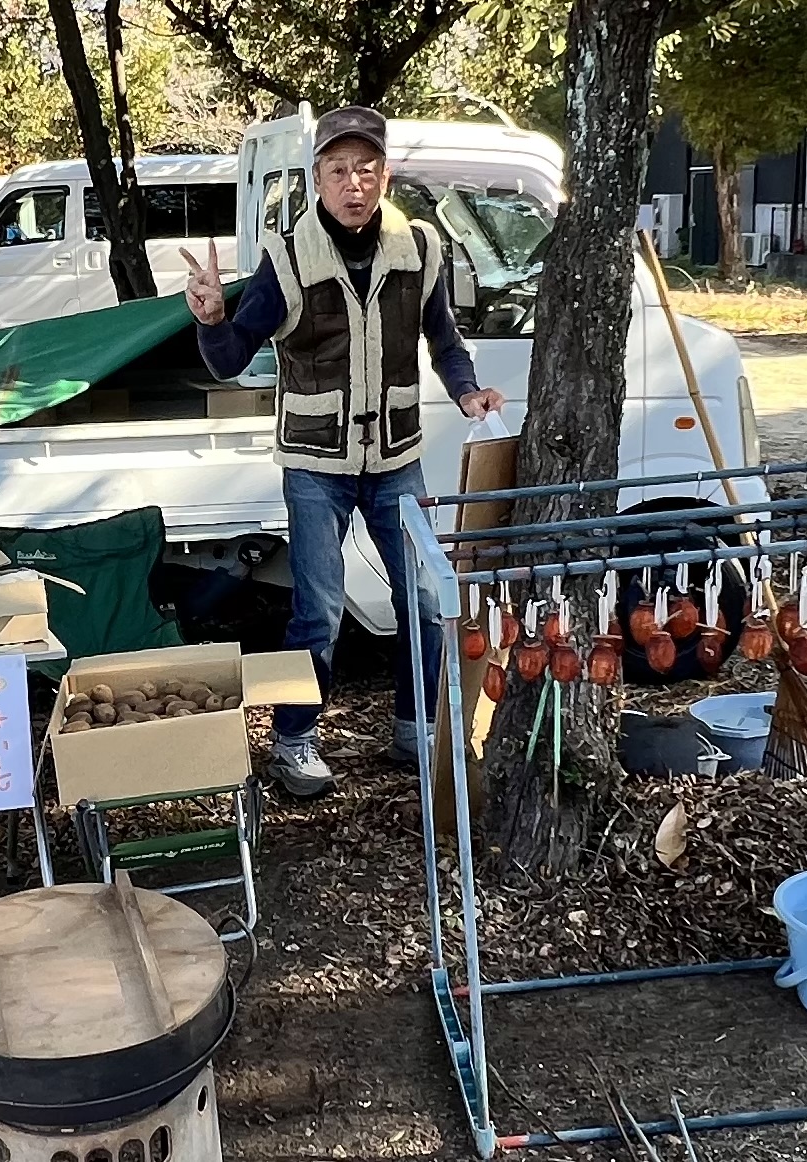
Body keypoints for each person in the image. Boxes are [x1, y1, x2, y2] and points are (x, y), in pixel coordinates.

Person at [183, 105, 504, 799]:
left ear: (385, 175)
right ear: (317, 179)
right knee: (319, 612)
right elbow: (232, 356)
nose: (352, 184)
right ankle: (294, 741)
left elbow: (444, 340)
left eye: (365, 169)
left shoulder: (419, 248)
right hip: (315, 466)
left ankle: (416, 728)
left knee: (425, 599)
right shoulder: (287, 258)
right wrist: (210, 320)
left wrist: (467, 391)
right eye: (337, 170)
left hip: (396, 459)